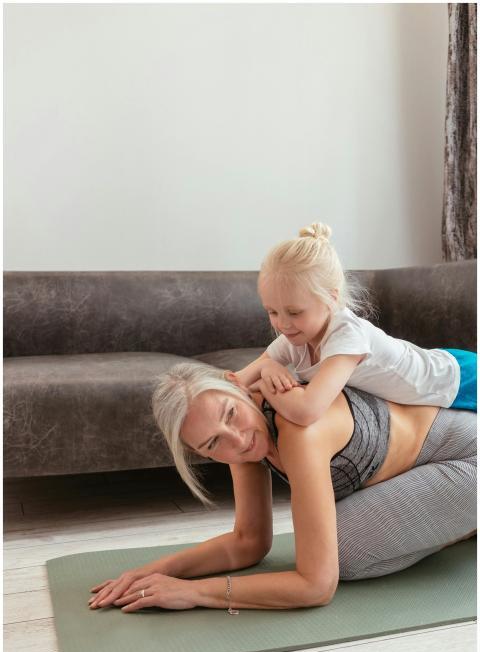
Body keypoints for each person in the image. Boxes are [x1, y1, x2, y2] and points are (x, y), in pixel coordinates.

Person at [89, 362, 476, 614]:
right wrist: (151, 573)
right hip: (426, 467)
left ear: (235, 385)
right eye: (212, 444)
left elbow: (316, 586)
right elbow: (248, 541)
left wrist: (194, 593)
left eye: (231, 414)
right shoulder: (243, 440)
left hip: (467, 456)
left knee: (341, 550)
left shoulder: (298, 428)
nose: (237, 441)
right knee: (327, 540)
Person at [234, 222, 476, 426]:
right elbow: (235, 382)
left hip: (458, 378)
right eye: (272, 311)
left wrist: (266, 379)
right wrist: (264, 368)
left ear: (331, 298)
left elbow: (307, 411)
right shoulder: (296, 337)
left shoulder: (346, 335)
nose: (283, 324)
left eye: (294, 312)